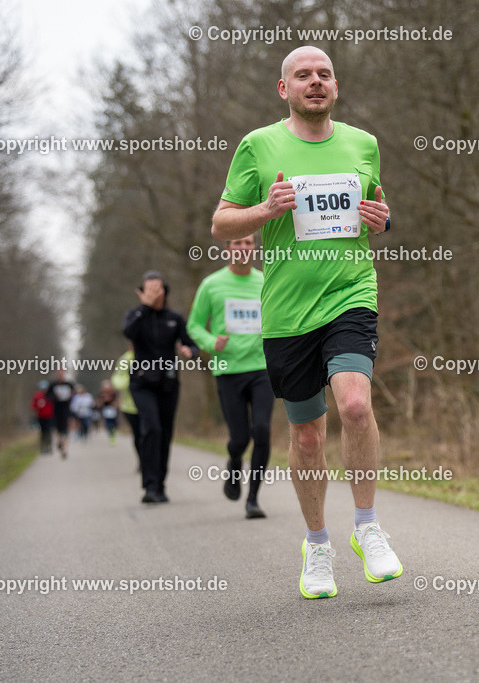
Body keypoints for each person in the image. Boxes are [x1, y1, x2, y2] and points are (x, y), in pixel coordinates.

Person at [212, 46, 399, 598]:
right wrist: (266, 210)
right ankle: (317, 543)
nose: (315, 82)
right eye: (303, 76)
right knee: (308, 436)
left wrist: (383, 220)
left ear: (335, 87)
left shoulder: (363, 144)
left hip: (350, 295)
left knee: (357, 405)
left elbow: (377, 212)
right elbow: (223, 222)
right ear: (283, 88)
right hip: (289, 314)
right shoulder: (259, 146)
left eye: (324, 75)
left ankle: (367, 528)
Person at [187, 233, 274, 519]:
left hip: (261, 367)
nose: (243, 248)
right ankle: (234, 461)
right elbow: (195, 326)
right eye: (237, 243)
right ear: (227, 249)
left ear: (254, 248)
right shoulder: (211, 285)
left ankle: (253, 499)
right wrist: (212, 343)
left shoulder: (265, 280)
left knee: (261, 431)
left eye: (248, 243)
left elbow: (281, 315)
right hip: (227, 370)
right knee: (239, 438)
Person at [123, 270, 199, 504]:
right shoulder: (135, 315)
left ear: (165, 291)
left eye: (159, 288)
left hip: (168, 383)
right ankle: (149, 485)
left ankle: (160, 485)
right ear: (142, 292)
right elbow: (128, 333)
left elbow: (191, 345)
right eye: (149, 289)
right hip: (141, 383)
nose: (155, 293)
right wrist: (144, 308)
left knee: (165, 433)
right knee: (151, 428)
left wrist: (190, 352)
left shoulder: (174, 318)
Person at [112, 344, 143, 469]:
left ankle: (150, 460)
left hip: (150, 404)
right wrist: (133, 380)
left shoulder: (153, 355)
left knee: (150, 433)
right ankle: (142, 460)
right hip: (130, 406)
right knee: (138, 435)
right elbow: (117, 381)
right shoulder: (126, 359)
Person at [46, 369, 75, 459]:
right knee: (57, 429)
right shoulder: (52, 385)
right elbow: (48, 396)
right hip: (56, 410)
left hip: (66, 409)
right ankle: (60, 441)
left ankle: (64, 449)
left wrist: (70, 397)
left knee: (65, 429)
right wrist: (55, 397)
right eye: (58, 374)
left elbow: (74, 394)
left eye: (62, 374)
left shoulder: (69, 384)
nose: (60, 375)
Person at [30, 381, 54, 454]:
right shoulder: (37, 396)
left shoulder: (50, 395)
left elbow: (54, 405)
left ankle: (49, 447)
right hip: (40, 416)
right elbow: (33, 406)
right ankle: (43, 447)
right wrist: (38, 406)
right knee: (43, 432)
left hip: (49, 416)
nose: (44, 390)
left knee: (48, 431)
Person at [98, 380, 120, 445]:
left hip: (113, 409)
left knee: (115, 423)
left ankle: (114, 431)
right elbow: (99, 401)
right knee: (108, 423)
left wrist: (115, 405)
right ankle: (111, 434)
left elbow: (117, 400)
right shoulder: (101, 393)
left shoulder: (113, 393)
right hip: (106, 409)